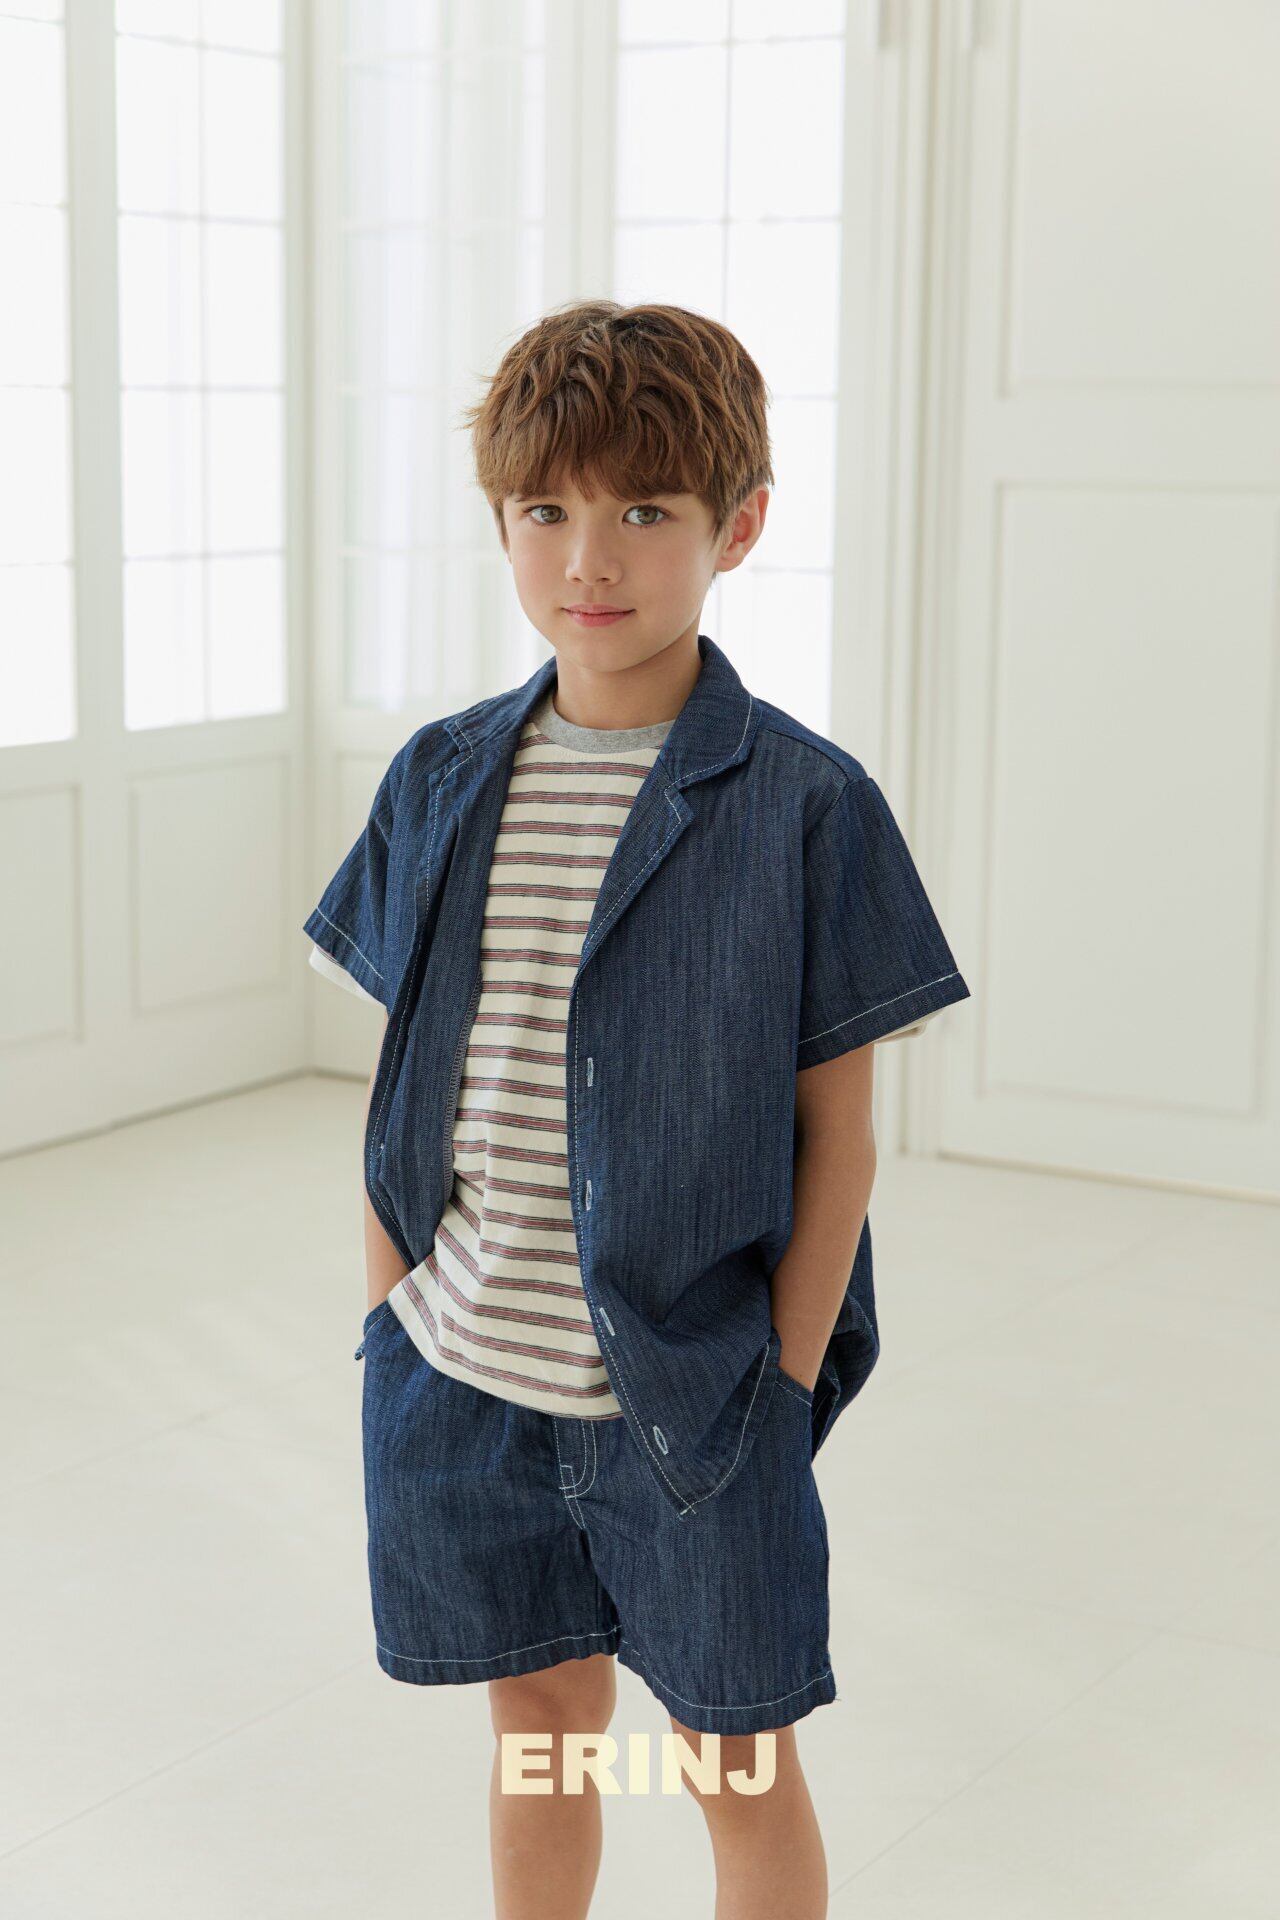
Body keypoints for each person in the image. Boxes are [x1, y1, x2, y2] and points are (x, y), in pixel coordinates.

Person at [304, 300, 971, 1919]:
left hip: (691, 1410)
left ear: (739, 527)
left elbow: (840, 1138)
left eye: (646, 511)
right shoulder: (443, 777)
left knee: (733, 1762)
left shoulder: (805, 805)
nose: (588, 560)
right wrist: (394, 1318)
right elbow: (406, 1080)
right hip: (465, 1381)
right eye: (546, 510)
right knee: (543, 1733)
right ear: (501, 521)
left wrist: (779, 1386)